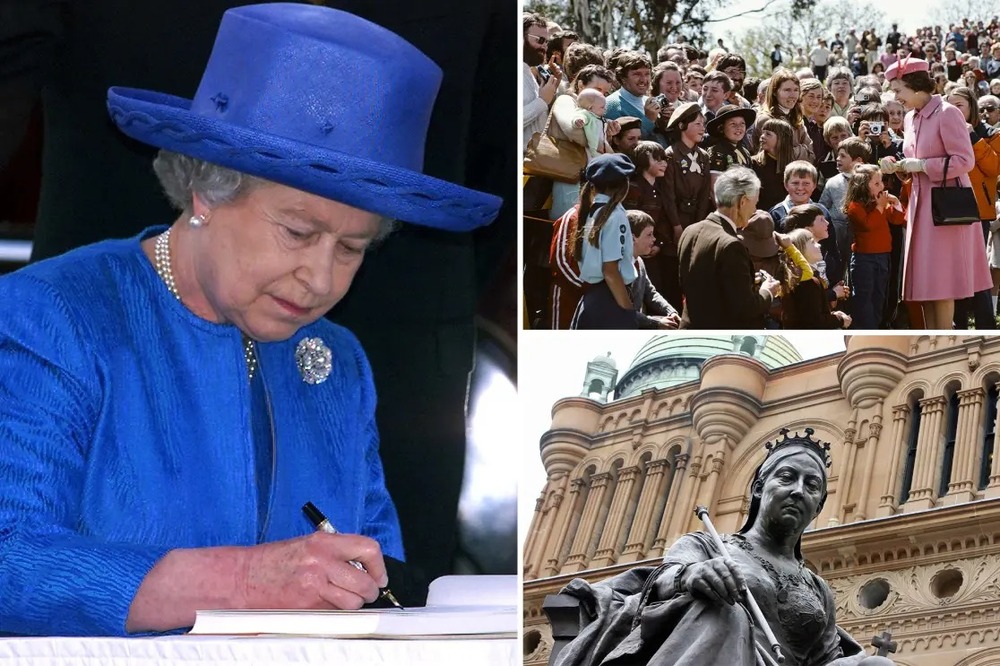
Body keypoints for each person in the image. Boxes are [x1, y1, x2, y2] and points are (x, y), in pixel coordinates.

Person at [0, 5, 502, 637]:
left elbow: (378, 584)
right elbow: (9, 561)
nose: (321, 281)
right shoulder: (51, 318)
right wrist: (246, 582)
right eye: (297, 231)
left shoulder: (336, 362)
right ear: (208, 191)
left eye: (352, 248)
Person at [551, 428, 894, 666]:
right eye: (786, 477)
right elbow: (661, 582)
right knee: (725, 611)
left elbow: (825, 658)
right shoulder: (709, 544)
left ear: (819, 506)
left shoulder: (817, 588)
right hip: (715, 650)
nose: (798, 490)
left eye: (812, 485)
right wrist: (693, 575)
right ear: (759, 488)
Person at [882, 57, 992, 329]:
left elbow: (964, 161)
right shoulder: (909, 118)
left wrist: (921, 165)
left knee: (941, 284)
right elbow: (914, 163)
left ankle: (943, 342)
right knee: (927, 286)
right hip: (921, 205)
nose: (896, 97)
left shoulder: (947, 112)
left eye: (898, 90)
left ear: (916, 85)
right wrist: (898, 168)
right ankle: (935, 337)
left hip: (945, 208)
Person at [677, 167, 782, 329]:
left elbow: (701, 285)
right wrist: (768, 291)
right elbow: (746, 308)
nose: (754, 210)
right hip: (722, 340)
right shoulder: (732, 245)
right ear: (742, 202)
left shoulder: (690, 231)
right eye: (755, 203)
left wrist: (744, 281)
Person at [947, 86, 1000, 328]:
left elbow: (993, 168)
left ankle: (986, 323)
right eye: (951, 105)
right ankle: (957, 321)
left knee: (979, 271)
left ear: (972, 107)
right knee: (955, 269)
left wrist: (973, 138)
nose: (955, 110)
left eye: (960, 105)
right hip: (952, 209)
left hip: (980, 211)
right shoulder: (945, 131)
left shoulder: (990, 133)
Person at [572, 154, 639, 329]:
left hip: (593, 299)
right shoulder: (615, 215)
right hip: (611, 300)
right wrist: (628, 310)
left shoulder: (592, 211)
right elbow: (610, 271)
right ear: (624, 185)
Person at [845, 164, 906, 329]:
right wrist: (880, 206)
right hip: (864, 259)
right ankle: (865, 327)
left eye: (881, 182)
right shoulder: (855, 207)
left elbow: (897, 220)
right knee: (864, 298)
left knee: (879, 296)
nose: (882, 187)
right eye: (877, 183)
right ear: (863, 186)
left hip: (883, 256)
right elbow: (868, 225)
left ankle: (876, 324)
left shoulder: (880, 203)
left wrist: (896, 203)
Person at [623, 141, 680, 307]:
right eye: (657, 159)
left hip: (653, 248)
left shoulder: (660, 187)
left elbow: (662, 220)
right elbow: (631, 220)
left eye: (664, 159)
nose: (664, 163)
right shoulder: (634, 187)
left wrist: (659, 243)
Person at [782, 228, 852, 329]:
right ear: (801, 250)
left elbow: (810, 314)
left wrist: (833, 314)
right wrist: (839, 320)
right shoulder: (807, 282)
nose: (818, 245)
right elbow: (814, 322)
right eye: (812, 242)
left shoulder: (800, 278)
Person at [624, 210, 681, 329]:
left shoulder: (639, 262)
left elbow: (650, 292)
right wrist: (656, 323)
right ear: (633, 238)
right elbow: (623, 313)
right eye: (649, 235)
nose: (654, 239)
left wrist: (671, 312)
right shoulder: (619, 270)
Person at [820, 136, 872, 265]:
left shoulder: (869, 181)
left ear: (858, 160)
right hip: (838, 232)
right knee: (839, 264)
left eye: (843, 156)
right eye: (838, 155)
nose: (838, 159)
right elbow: (823, 206)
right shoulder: (833, 182)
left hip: (860, 232)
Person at [751, 68, 814, 163]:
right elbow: (782, 156)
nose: (793, 95)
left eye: (796, 90)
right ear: (775, 92)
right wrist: (802, 149)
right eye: (787, 90)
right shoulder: (766, 119)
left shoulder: (796, 119)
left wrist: (795, 150)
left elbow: (811, 155)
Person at [523, 12, 560, 152]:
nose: (545, 46)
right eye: (540, 40)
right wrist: (542, 101)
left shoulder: (529, 73)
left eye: (546, 42)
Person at [707, 104, 757, 189]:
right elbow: (714, 187)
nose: (738, 128)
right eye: (733, 124)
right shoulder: (717, 152)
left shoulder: (745, 152)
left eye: (742, 124)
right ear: (721, 128)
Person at [752, 118, 795, 210]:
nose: (762, 136)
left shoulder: (793, 167)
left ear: (782, 138)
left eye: (768, 134)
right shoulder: (754, 164)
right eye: (763, 133)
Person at [573, 88, 608, 159]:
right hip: (591, 150)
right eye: (602, 107)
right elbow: (580, 116)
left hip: (600, 148)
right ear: (590, 108)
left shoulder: (598, 117)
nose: (605, 109)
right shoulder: (587, 115)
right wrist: (578, 120)